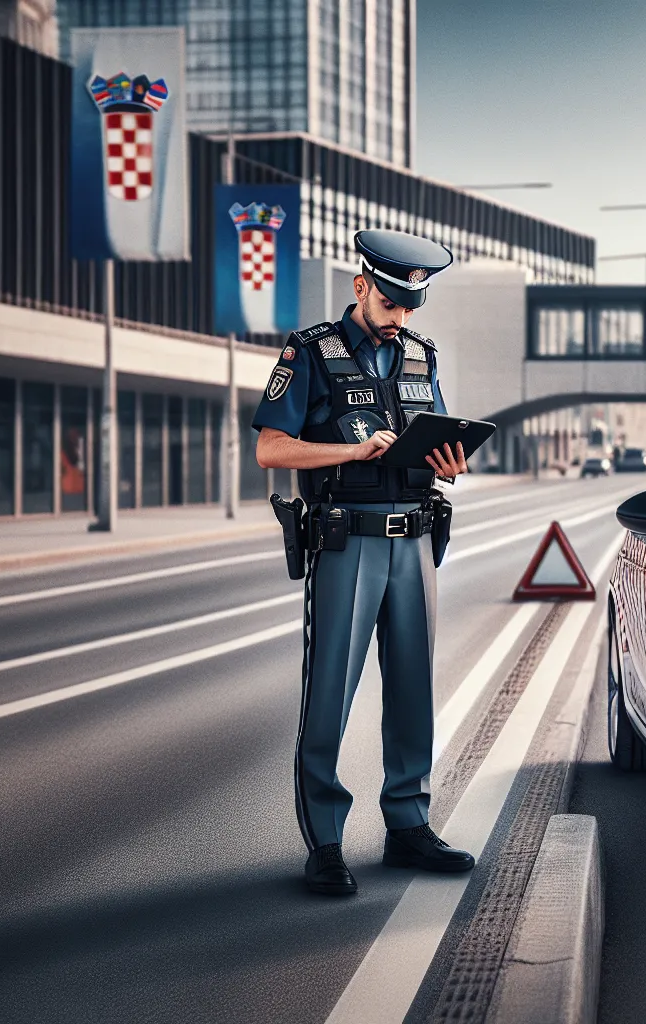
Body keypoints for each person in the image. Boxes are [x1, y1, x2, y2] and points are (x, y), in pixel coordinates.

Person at [253, 229, 473, 896]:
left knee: (413, 693)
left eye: (411, 307)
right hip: (346, 543)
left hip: (415, 542)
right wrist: (347, 453)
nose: (399, 317)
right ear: (361, 288)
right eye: (390, 302)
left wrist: (450, 459)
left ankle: (408, 825)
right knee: (330, 700)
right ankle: (324, 841)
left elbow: (434, 433)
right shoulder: (309, 353)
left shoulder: (418, 355)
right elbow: (271, 449)